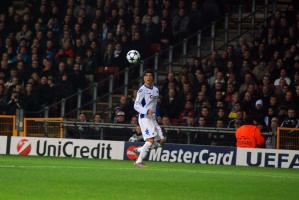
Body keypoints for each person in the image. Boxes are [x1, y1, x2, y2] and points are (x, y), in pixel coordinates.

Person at [133, 69, 166, 167]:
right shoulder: (142, 90)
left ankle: (139, 149)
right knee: (150, 140)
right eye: (146, 75)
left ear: (153, 78)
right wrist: (146, 111)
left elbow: (155, 105)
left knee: (161, 140)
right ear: (144, 78)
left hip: (153, 118)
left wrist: (158, 115)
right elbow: (136, 105)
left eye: (150, 75)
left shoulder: (156, 89)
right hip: (144, 117)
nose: (148, 77)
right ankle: (138, 161)